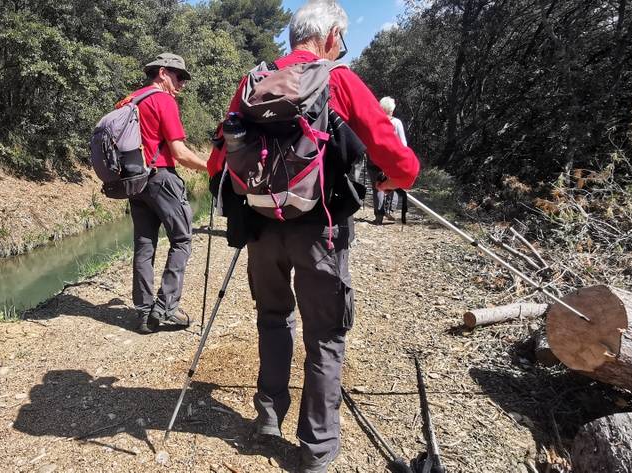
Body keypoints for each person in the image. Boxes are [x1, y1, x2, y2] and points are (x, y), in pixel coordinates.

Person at [206, 2, 420, 471]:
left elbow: (219, 157)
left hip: (262, 228)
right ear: (327, 38)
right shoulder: (337, 79)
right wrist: (399, 177)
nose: (340, 48)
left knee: (272, 319)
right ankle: (316, 449)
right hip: (319, 231)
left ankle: (267, 415)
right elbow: (390, 146)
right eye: (340, 40)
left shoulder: (252, 83)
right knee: (325, 335)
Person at [124, 53, 208, 335]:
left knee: (144, 246)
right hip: (161, 178)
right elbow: (180, 153)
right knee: (182, 240)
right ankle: (166, 308)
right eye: (178, 76)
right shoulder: (163, 100)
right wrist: (212, 167)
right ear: (162, 73)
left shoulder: (128, 101)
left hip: (135, 183)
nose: (182, 83)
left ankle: (144, 313)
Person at [371, 96, 408, 223]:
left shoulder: (374, 121)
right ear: (392, 110)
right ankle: (390, 209)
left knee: (377, 186)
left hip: (375, 159)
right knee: (394, 183)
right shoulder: (396, 122)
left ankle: (379, 216)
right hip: (391, 160)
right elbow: (403, 144)